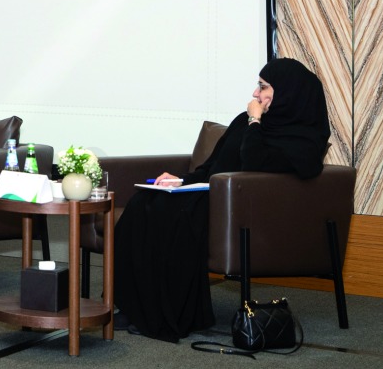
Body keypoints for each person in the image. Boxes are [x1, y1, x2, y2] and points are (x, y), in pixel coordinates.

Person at [113, 57, 330, 341]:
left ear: (288, 92)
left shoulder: (302, 137)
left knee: (175, 214)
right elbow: (212, 167)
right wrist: (182, 180)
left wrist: (255, 121)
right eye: (258, 85)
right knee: (144, 202)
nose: (255, 93)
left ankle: (172, 314)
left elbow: (253, 163)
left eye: (263, 87)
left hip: (246, 212)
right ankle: (135, 308)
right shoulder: (242, 122)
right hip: (214, 196)